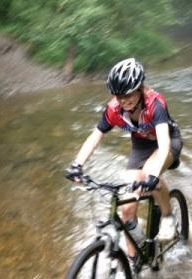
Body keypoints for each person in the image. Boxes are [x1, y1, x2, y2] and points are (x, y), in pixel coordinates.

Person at [65, 58, 183, 263]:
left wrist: (153, 176)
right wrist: (77, 164)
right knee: (126, 205)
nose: (123, 100)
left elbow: (163, 144)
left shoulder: (155, 104)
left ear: (139, 89)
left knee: (148, 174)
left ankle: (167, 216)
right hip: (141, 146)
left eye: (128, 95)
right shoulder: (113, 109)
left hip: (168, 142)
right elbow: (95, 137)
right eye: (119, 96)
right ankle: (135, 259)